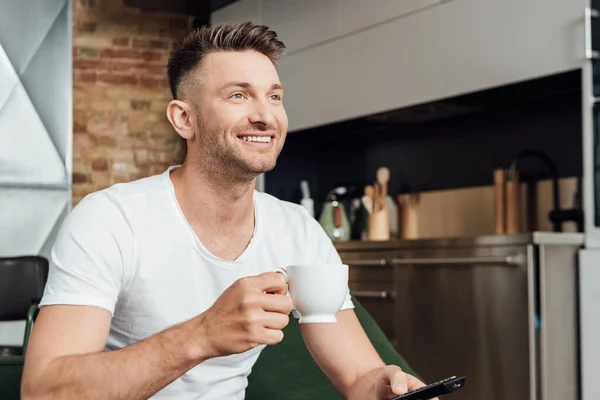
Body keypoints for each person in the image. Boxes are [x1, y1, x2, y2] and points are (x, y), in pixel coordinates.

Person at [21, 22, 434, 400]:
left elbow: (360, 376)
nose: (265, 115)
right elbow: (44, 392)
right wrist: (202, 334)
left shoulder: (297, 230)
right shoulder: (110, 219)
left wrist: (385, 389)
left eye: (274, 96)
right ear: (184, 118)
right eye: (238, 95)